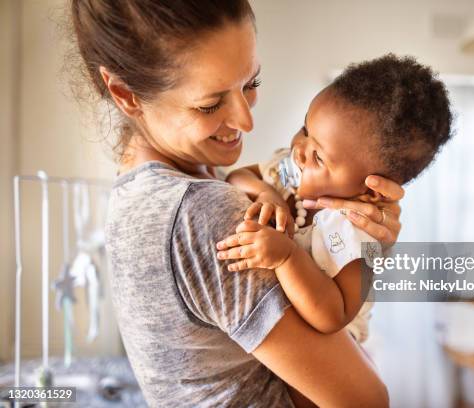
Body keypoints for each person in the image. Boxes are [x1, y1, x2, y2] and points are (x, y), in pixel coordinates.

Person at [71, 0, 403, 406]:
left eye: (252, 83)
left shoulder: (152, 190)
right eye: (210, 104)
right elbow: (365, 400)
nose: (247, 122)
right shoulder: (200, 212)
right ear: (125, 94)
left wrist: (361, 243)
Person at [219, 54, 452, 344]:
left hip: (338, 352)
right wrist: (265, 192)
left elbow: (333, 315)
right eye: (305, 129)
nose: (300, 149)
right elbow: (238, 176)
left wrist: (287, 257)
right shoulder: (292, 171)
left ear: (370, 191)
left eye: (318, 156)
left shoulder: (356, 232)